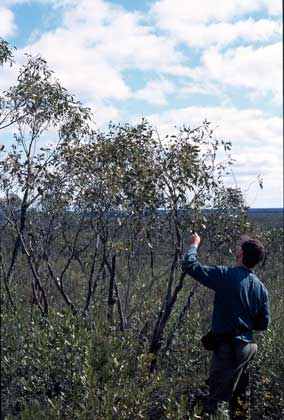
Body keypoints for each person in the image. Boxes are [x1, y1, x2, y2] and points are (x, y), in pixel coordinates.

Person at [182, 233, 270, 419]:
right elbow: (263, 324)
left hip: (227, 349)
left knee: (218, 402)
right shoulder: (261, 288)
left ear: (240, 254)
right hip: (247, 348)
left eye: (240, 248)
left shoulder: (226, 275)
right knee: (240, 399)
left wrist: (193, 245)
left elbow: (190, 266)